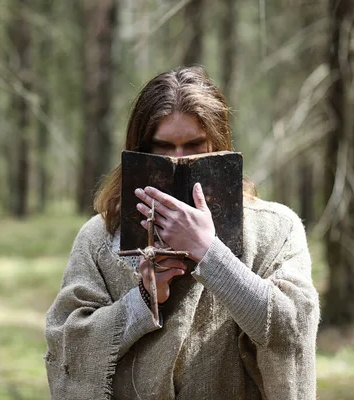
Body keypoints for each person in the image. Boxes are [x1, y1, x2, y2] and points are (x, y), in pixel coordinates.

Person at [44, 65, 320, 400]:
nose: (178, 160)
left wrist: (210, 253)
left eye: (193, 145)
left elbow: (292, 328)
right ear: (142, 151)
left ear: (218, 144)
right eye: (164, 147)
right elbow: (69, 343)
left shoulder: (275, 229)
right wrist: (143, 298)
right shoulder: (101, 237)